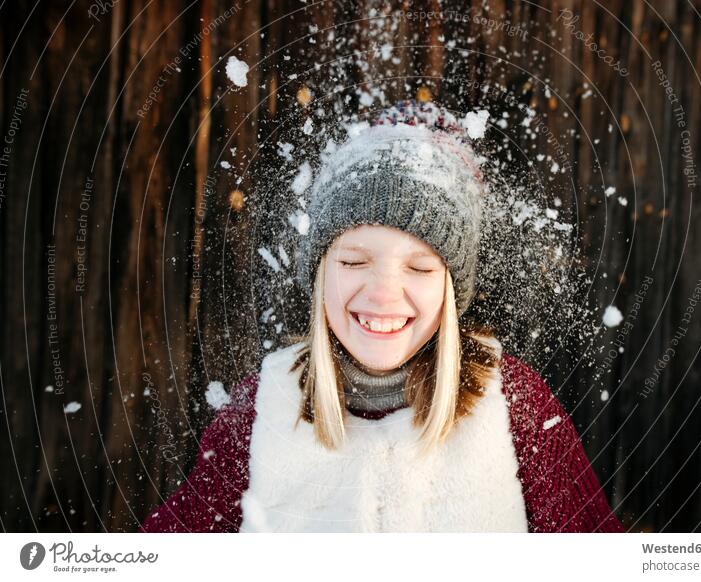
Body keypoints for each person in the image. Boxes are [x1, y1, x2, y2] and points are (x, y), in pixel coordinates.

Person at [139, 100, 624, 533]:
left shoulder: (515, 407)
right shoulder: (259, 414)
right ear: (319, 274)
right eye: (353, 262)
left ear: (452, 290)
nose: (383, 294)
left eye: (419, 267)